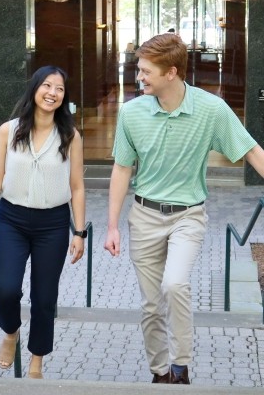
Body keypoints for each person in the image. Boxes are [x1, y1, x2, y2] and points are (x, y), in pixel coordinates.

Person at [104, 33, 264, 384]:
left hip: (188, 216)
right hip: (144, 216)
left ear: (171, 72)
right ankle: (160, 372)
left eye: (146, 71)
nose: (140, 76)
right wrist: (112, 225)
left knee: (174, 284)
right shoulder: (131, 113)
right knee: (150, 305)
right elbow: (122, 168)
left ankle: (181, 366)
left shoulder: (210, 109)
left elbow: (251, 150)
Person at [0, 65, 86, 379]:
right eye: (47, 86)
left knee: (45, 298)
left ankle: (37, 362)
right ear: (34, 89)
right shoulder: (9, 130)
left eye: (59, 89)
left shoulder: (70, 136)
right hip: (12, 220)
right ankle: (10, 332)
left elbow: (77, 186)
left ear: (64, 96)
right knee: (6, 289)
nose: (52, 93)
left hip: (54, 224)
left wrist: (79, 232)